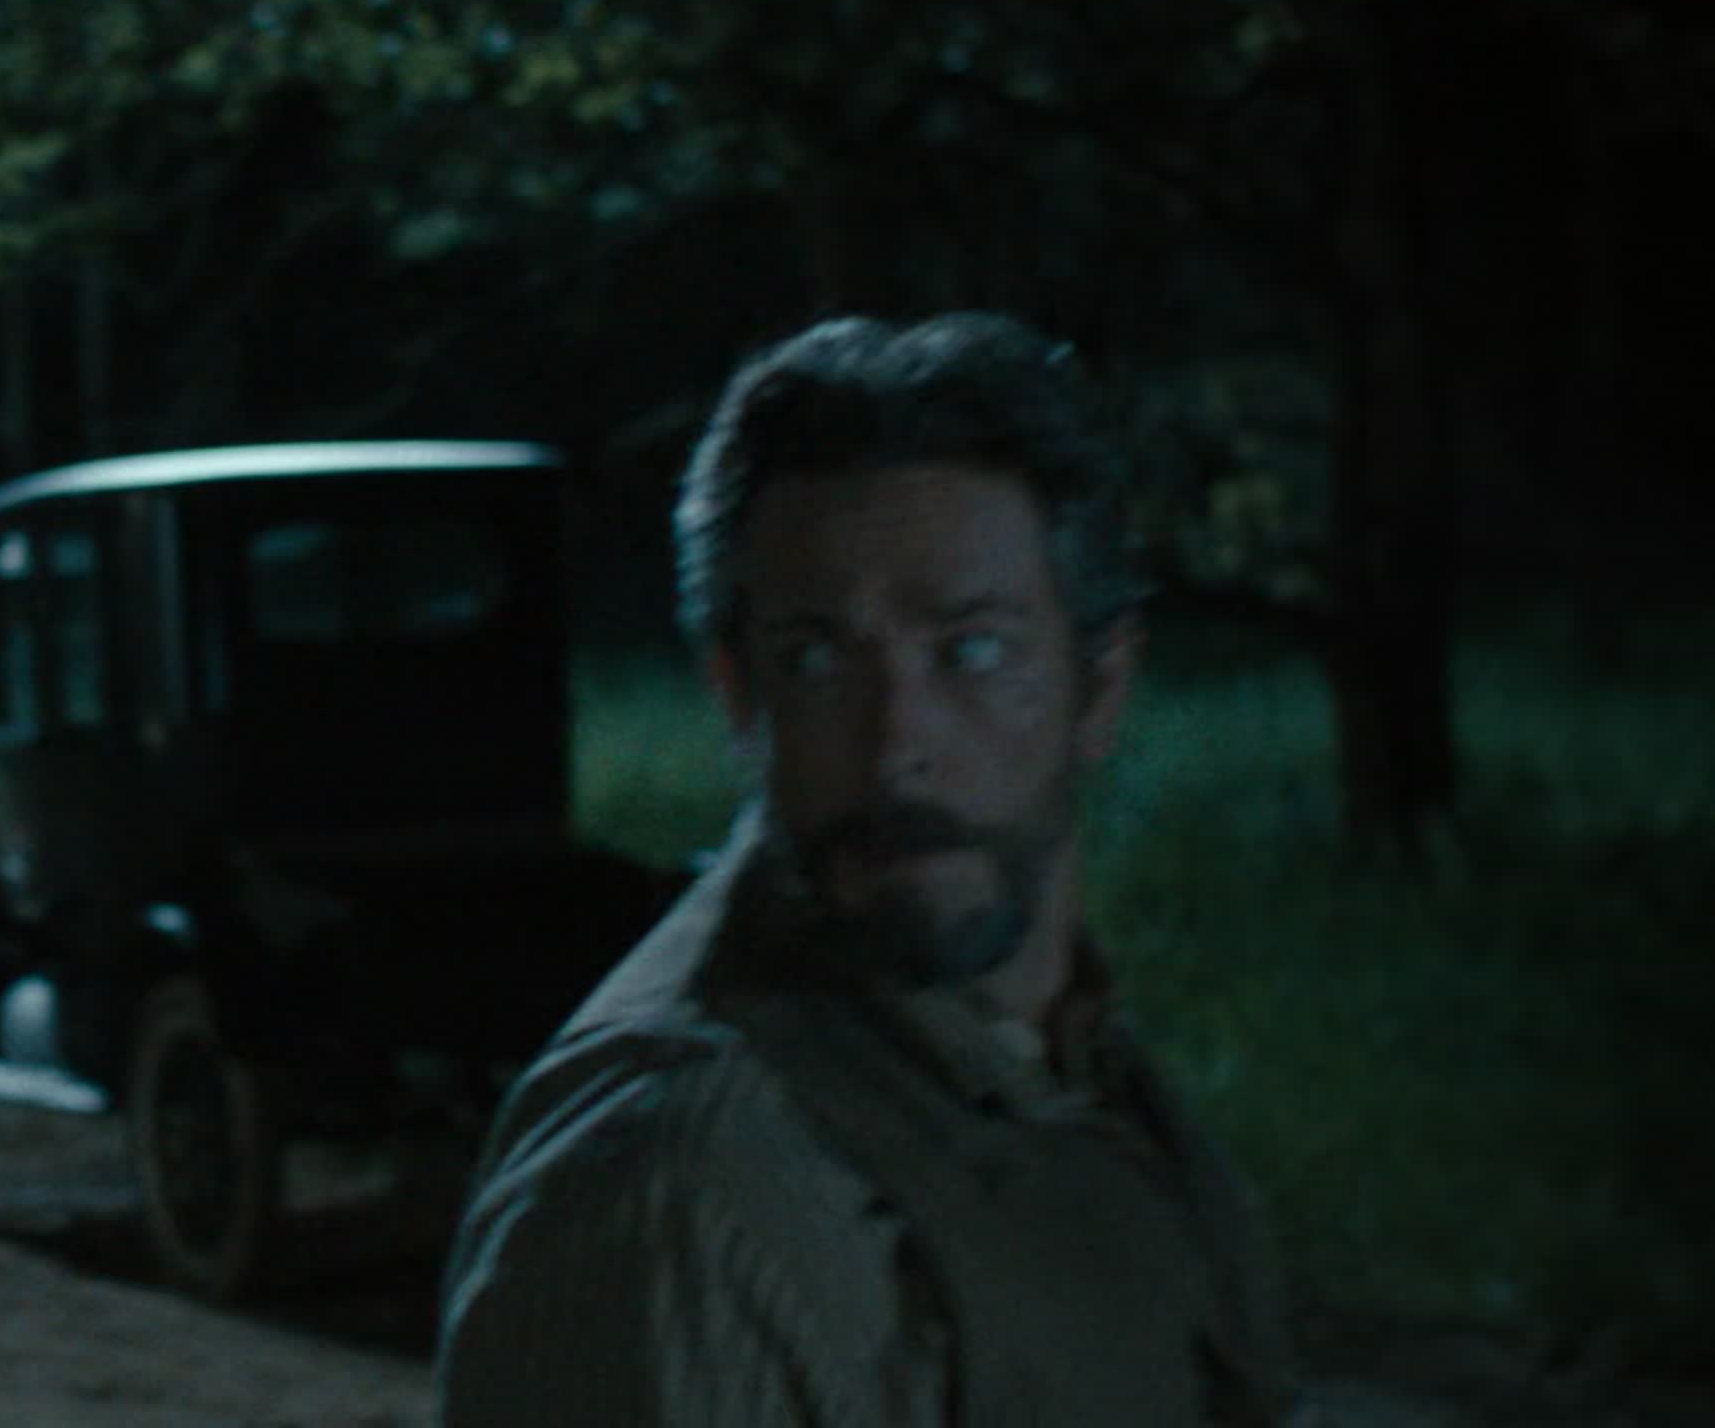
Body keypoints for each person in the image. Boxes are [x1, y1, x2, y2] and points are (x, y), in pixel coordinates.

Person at [435, 313, 1311, 1426]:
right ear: (739, 696)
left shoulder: (1068, 1056)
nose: (898, 744)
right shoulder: (682, 1177)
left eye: (972, 649)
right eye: (817, 659)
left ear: (1099, 688)